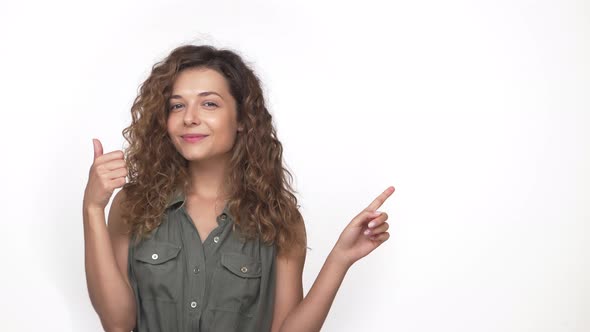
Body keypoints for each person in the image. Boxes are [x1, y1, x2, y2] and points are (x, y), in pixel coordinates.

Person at [82, 44, 394, 332]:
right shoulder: (134, 203)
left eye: (208, 103)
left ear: (242, 117)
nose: (190, 118)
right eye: (177, 106)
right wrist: (93, 208)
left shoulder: (279, 218)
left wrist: (340, 258)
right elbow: (117, 323)